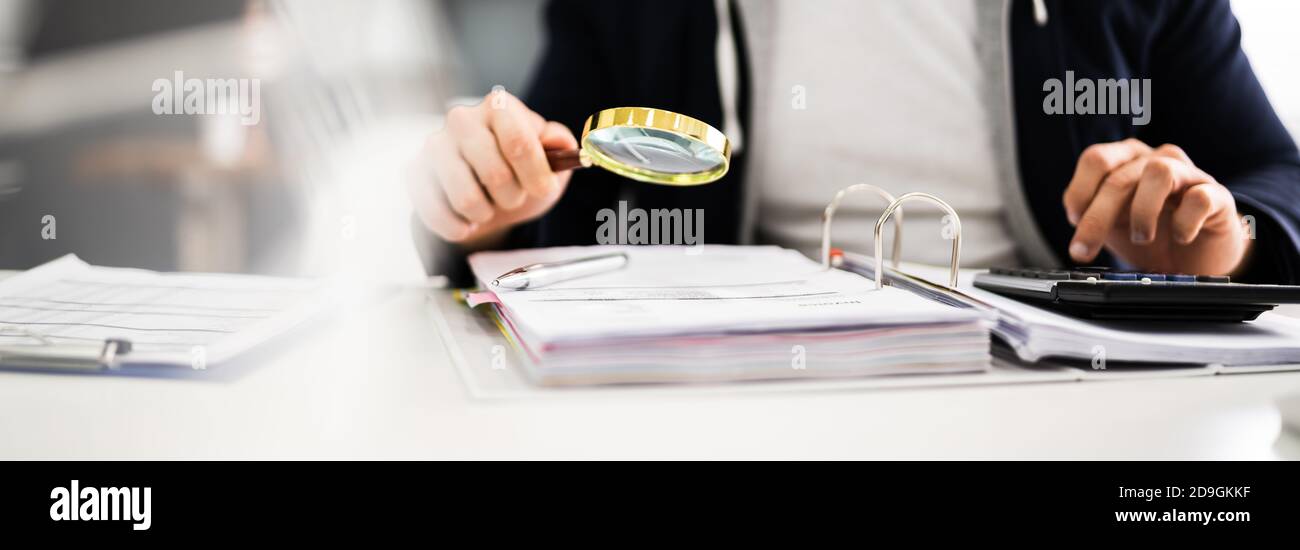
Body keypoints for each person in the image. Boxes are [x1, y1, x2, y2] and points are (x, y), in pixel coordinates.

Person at [410, 0, 1300, 286]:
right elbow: (530, 192)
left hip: (1072, 392)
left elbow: (1277, 179)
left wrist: (1226, 237)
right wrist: (484, 205)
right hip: (730, 395)